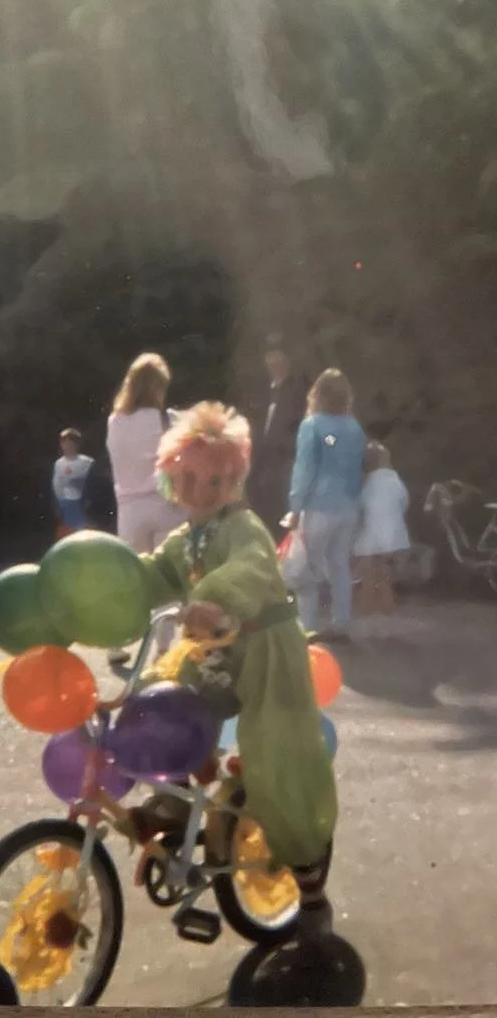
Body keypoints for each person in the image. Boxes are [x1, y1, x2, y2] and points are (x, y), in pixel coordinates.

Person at [125, 401, 336, 935]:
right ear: (172, 479)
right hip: (217, 649)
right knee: (164, 705)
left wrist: (214, 599)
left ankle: (311, 893)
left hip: (265, 649)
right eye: (189, 479)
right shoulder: (187, 536)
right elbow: (158, 573)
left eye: (217, 480)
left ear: (234, 481)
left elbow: (251, 566)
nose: (202, 491)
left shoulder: (243, 527)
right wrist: (114, 588)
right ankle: (175, 807)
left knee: (277, 760)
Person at [106, 352, 184, 663]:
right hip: (165, 505)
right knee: (165, 579)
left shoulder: (115, 421)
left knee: (130, 580)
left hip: (129, 508)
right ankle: (163, 649)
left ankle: (115, 640)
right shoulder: (166, 419)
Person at [282, 369, 367, 640]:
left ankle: (306, 627)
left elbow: (305, 468)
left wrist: (295, 507)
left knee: (306, 569)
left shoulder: (313, 426)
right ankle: (340, 622)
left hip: (318, 505)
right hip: (348, 506)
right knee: (339, 565)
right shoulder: (354, 428)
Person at [246, 333, 308, 542]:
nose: (274, 361)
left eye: (279, 355)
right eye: (270, 355)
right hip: (261, 468)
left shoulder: (299, 392)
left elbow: (323, 437)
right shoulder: (261, 392)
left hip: (286, 467)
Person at [353, 441, 410, 615]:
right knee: (386, 573)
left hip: (370, 536)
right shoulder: (396, 482)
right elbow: (404, 503)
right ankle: (387, 606)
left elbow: (359, 509)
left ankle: (366, 606)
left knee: (367, 573)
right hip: (394, 536)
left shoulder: (367, 485)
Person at [51, 429, 93, 535]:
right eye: (64, 442)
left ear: (77, 444)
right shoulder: (59, 464)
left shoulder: (87, 462)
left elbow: (92, 484)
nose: (68, 446)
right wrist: (58, 504)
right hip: (65, 504)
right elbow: (57, 485)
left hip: (83, 505)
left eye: (71, 442)